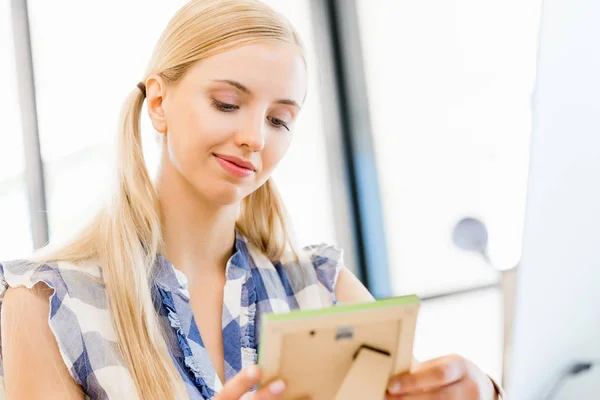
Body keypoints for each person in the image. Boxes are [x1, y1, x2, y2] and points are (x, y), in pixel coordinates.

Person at [0, 0, 503, 399]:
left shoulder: (321, 289)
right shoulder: (47, 303)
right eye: (227, 103)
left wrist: (481, 390)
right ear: (158, 102)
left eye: (279, 119)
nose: (255, 138)